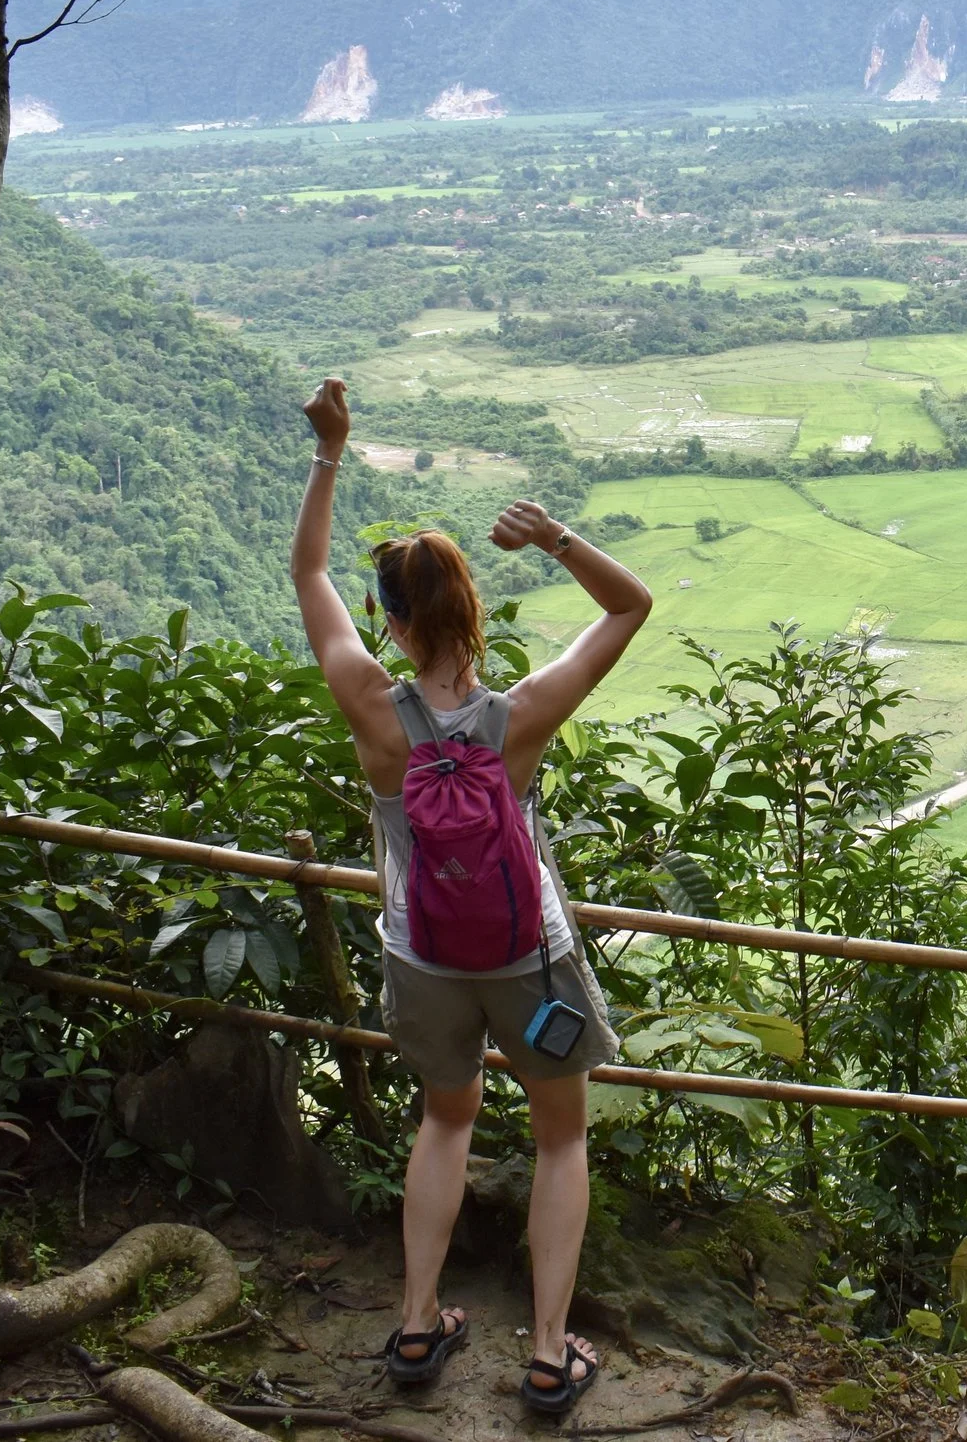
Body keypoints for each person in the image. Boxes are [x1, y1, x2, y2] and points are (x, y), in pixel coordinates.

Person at [292, 377, 651, 1415]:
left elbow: (309, 568)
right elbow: (631, 605)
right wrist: (553, 537)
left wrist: (331, 451)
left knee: (444, 1123)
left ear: (392, 622)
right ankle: (546, 1351)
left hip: (424, 959)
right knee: (559, 1137)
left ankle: (416, 1324)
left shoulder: (370, 705)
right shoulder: (522, 714)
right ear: (470, 614)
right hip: (528, 958)